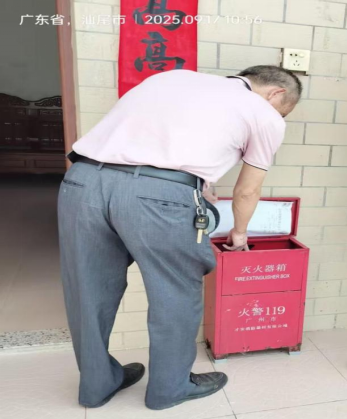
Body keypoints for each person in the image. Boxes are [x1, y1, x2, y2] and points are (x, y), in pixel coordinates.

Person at [58, 66, 301, 409]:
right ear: (277, 93)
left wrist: (196, 183)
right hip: (158, 199)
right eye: (283, 111)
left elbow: (151, 138)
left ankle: (96, 385)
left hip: (82, 182)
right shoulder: (265, 113)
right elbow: (248, 190)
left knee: (88, 287)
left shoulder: (169, 78)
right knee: (175, 291)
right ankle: (169, 388)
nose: (279, 117)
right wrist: (239, 233)